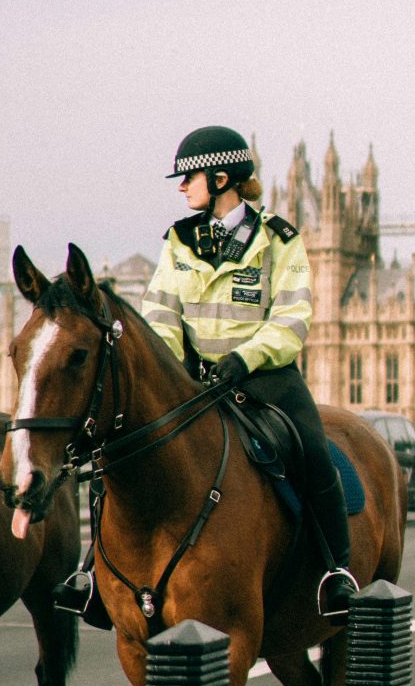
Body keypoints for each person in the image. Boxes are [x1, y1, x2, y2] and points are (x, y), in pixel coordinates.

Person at [141, 124, 359, 615]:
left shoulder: (279, 240)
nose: (181, 187)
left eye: (189, 177)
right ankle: (93, 571)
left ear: (221, 178)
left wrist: (246, 358)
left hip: (266, 377)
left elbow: (292, 317)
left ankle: (335, 570)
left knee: (312, 451)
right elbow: (159, 311)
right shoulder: (179, 242)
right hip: (197, 380)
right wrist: (172, 368)